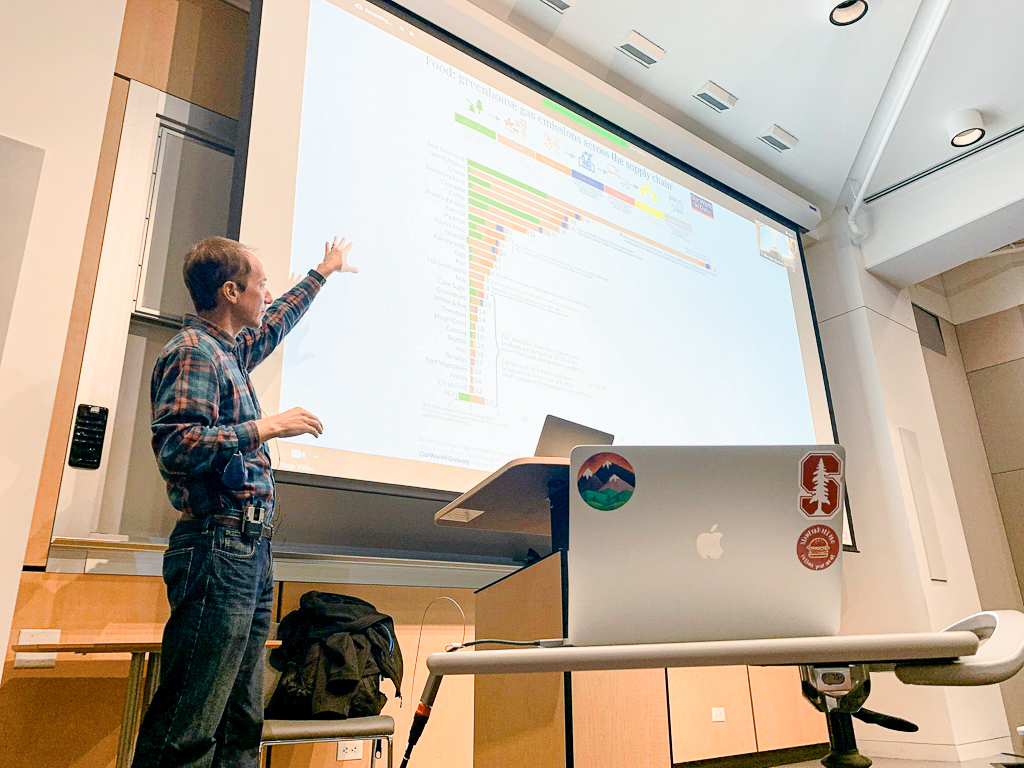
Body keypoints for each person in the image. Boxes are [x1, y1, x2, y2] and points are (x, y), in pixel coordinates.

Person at [131, 235, 357, 768]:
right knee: (190, 721)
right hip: (217, 544)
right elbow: (177, 446)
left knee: (239, 724)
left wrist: (322, 272)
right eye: (259, 285)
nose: (266, 293)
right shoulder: (193, 352)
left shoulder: (229, 350)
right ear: (231, 291)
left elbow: (276, 320)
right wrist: (266, 426)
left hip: (247, 548)